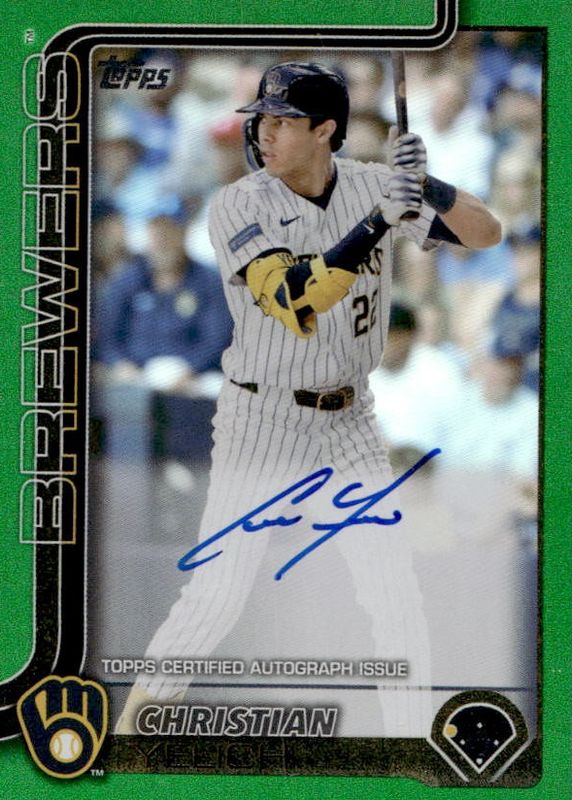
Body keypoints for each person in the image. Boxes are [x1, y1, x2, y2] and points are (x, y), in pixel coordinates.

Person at [116, 62, 501, 736]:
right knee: (218, 593)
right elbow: (298, 299)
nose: (263, 133)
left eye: (284, 121)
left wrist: (428, 185)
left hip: (351, 417)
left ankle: (410, 751)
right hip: (263, 417)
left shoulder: (373, 184)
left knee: (395, 596)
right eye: (261, 120)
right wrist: (380, 221)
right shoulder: (239, 203)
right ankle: (127, 738)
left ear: (326, 130)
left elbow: (486, 233)